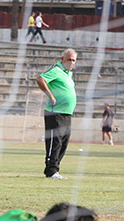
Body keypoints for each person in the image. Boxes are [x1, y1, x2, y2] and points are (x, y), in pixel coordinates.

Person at [36, 48, 78, 180]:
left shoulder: (68, 74)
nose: (71, 63)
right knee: (55, 141)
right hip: (55, 112)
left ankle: (56, 169)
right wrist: (50, 95)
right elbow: (40, 79)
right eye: (69, 60)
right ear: (62, 59)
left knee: (64, 142)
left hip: (66, 113)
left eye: (73, 60)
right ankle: (50, 170)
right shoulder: (56, 69)